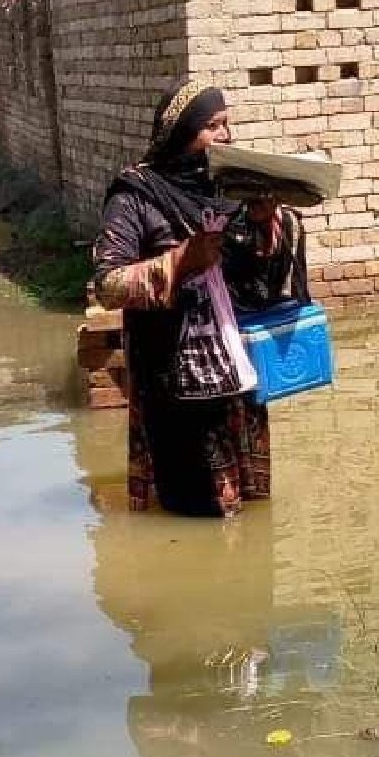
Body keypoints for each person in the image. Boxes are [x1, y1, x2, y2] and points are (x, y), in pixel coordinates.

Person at [93, 80, 305, 518]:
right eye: (212, 126)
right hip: (173, 373)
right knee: (196, 502)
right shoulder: (135, 195)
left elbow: (257, 277)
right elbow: (108, 284)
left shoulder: (228, 189)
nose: (225, 136)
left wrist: (265, 229)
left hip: (238, 364)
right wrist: (181, 262)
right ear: (182, 132)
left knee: (244, 502)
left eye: (227, 125)